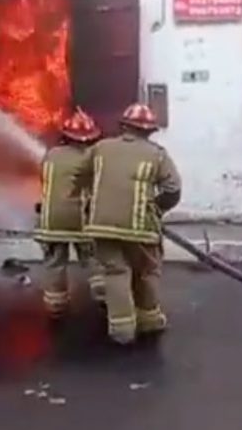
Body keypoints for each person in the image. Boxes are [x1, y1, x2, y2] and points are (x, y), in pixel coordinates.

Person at [75, 103, 182, 344]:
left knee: (115, 272)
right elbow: (173, 189)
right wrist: (157, 207)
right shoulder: (158, 154)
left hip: (101, 225)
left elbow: (81, 175)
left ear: (123, 126)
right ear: (149, 131)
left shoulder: (100, 148)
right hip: (140, 227)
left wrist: (93, 196)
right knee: (146, 271)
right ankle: (149, 320)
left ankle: (122, 330)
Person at [34, 108, 105, 318]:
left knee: (55, 262)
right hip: (80, 219)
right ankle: (103, 298)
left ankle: (55, 307)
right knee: (93, 257)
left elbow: (46, 181)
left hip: (51, 219)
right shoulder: (91, 158)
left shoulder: (51, 155)